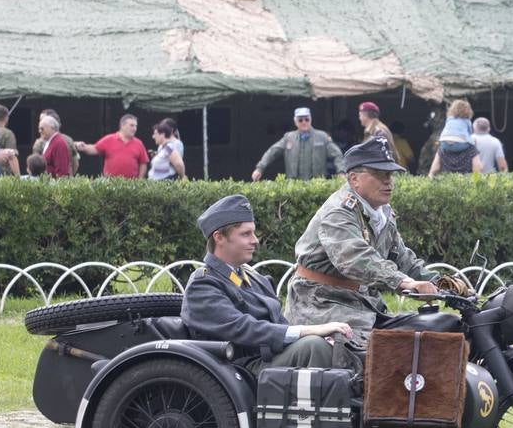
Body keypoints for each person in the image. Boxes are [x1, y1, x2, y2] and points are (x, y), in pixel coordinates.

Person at [286, 135, 439, 339]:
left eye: (390, 174)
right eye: (378, 173)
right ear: (354, 178)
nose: (388, 181)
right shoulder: (338, 212)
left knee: (424, 333)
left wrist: (443, 283)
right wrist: (403, 282)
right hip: (320, 303)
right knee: (374, 350)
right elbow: (355, 258)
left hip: (359, 302)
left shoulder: (381, 212)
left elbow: (401, 257)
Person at [182, 195, 353, 370]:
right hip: (236, 369)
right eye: (245, 234)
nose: (255, 240)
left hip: (266, 361)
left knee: (335, 345)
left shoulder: (254, 278)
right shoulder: (203, 285)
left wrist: (315, 334)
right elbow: (243, 327)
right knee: (314, 347)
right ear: (219, 238)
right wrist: (308, 331)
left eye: (253, 233)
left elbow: (278, 322)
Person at [251, 107, 344, 181]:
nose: (304, 122)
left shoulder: (322, 137)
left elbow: (337, 154)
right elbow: (272, 152)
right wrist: (260, 168)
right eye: (300, 120)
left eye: (306, 119)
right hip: (294, 185)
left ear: (310, 119)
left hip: (317, 184)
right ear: (295, 122)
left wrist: (341, 172)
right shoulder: (288, 137)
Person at [76, 114, 149, 179]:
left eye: (136, 126)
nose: (135, 129)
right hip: (110, 184)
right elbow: (94, 149)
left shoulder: (139, 143)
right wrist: (83, 147)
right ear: (122, 125)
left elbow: (143, 163)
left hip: (132, 186)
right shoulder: (109, 139)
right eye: (132, 125)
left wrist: (140, 180)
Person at [428, 99, 481, 176]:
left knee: (440, 151)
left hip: (445, 142)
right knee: (473, 146)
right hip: (462, 143)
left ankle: (430, 175)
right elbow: (470, 134)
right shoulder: (467, 121)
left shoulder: (449, 119)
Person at [32, 109, 79, 175]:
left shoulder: (59, 143)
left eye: (42, 128)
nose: (40, 131)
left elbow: (66, 168)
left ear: (52, 127)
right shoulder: (51, 141)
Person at [0, 104, 20, 175]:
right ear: (6, 118)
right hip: (2, 175)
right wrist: (18, 177)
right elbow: (12, 156)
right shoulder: (7, 134)